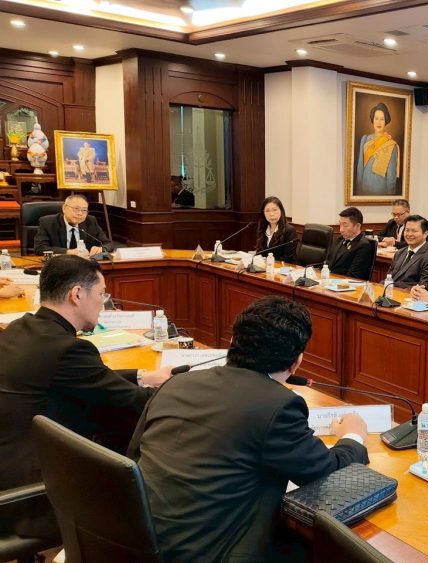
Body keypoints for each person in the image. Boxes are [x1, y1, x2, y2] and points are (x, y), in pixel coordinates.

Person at [129, 296, 369, 562]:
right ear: (297, 362)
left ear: (232, 342)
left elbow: (132, 456)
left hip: (136, 541)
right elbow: (325, 472)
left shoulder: (176, 383)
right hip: (209, 553)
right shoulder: (278, 405)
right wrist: (353, 435)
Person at [0, 255, 173, 540]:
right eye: (102, 294)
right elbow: (136, 401)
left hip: (9, 470)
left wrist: (143, 375)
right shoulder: (68, 349)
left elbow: (82, 376)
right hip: (32, 499)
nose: (103, 303)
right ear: (77, 294)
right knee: (151, 486)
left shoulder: (23, 328)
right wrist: (185, 390)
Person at [34, 194, 113, 256]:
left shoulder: (91, 221)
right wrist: (69, 252)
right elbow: (40, 248)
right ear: (64, 208)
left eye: (84, 210)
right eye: (76, 209)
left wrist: (101, 249)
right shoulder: (48, 222)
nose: (80, 213)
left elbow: (108, 244)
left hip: (85, 266)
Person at [355, 102, 400, 196]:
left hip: (381, 192)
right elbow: (360, 168)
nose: (379, 122)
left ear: (386, 121)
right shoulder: (365, 139)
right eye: (376, 118)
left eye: (382, 119)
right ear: (373, 120)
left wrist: (389, 198)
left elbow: (391, 178)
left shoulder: (392, 145)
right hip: (364, 190)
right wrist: (358, 193)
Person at [386, 215, 428, 290]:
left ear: (425, 234)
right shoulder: (399, 252)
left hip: (407, 295)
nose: (409, 234)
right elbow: (388, 278)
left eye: (414, 231)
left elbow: (423, 287)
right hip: (390, 292)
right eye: (407, 230)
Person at [326, 207, 375, 279]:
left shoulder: (363, 246)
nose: (341, 229)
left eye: (345, 225)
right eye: (340, 224)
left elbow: (353, 275)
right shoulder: (339, 239)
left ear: (357, 226)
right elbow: (327, 263)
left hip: (344, 283)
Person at [254, 196, 298, 263]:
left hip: (285, 267)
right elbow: (259, 253)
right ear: (263, 213)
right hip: (265, 267)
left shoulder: (289, 230)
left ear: (281, 211)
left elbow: (288, 258)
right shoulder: (263, 228)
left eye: (275, 210)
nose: (271, 214)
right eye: (267, 211)